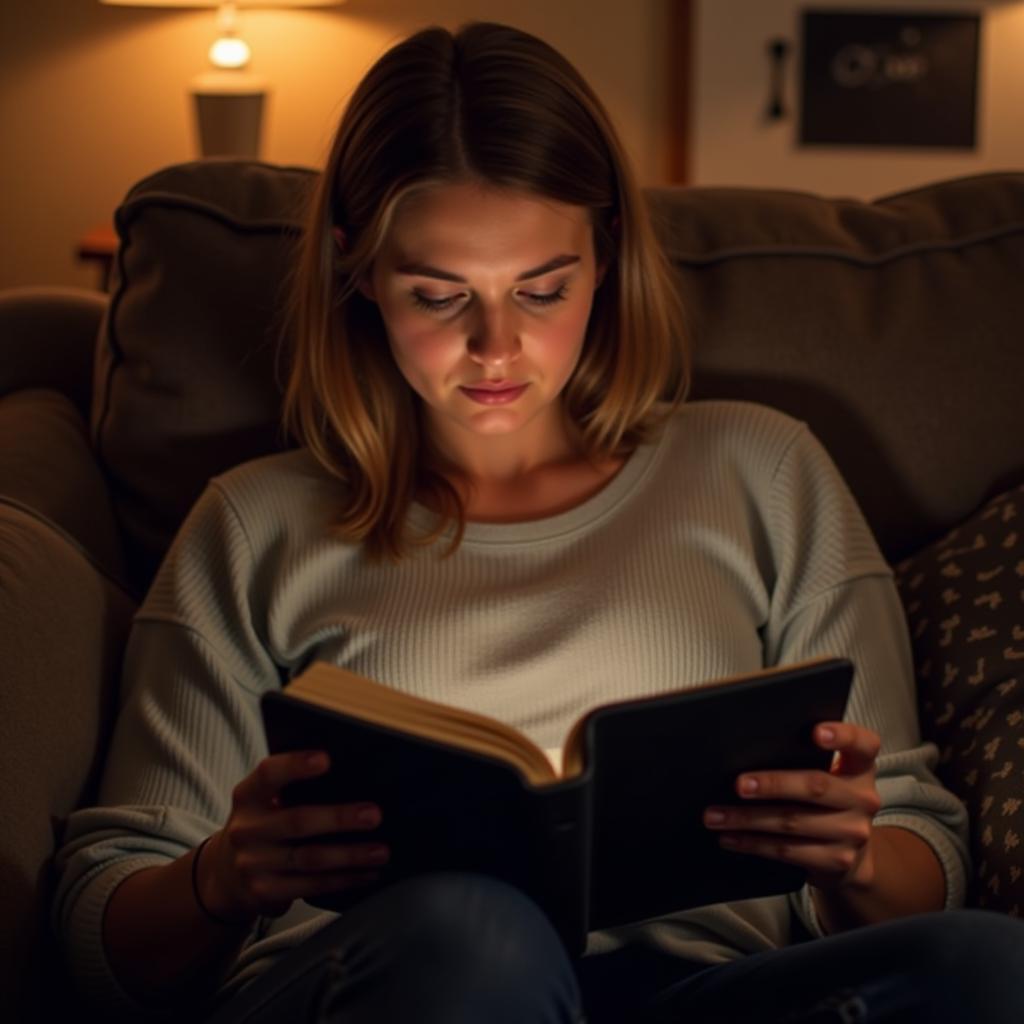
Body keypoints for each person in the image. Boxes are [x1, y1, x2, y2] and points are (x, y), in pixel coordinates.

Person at [52, 20, 1024, 1024]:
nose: (495, 347)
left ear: (603, 259)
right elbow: (99, 929)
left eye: (541, 288)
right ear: (358, 270)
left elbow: (925, 864)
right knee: (479, 939)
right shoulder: (255, 524)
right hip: (404, 983)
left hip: (701, 993)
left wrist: (853, 855)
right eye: (438, 294)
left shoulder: (763, 469)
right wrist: (221, 877)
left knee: (990, 966)